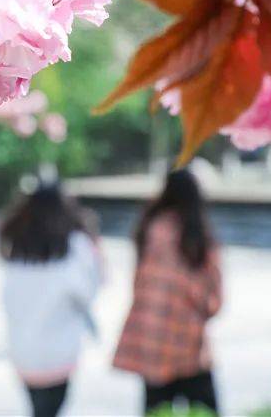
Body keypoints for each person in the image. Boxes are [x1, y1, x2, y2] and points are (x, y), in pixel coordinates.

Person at [112, 169, 222, 416]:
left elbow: (139, 283)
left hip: (151, 340)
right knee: (205, 410)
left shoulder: (149, 228)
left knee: (156, 410)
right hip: (188, 341)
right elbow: (213, 300)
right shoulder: (197, 234)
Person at [0, 180, 103, 417]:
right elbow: (86, 292)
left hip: (23, 349)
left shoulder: (18, 245)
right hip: (59, 351)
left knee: (39, 409)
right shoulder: (74, 245)